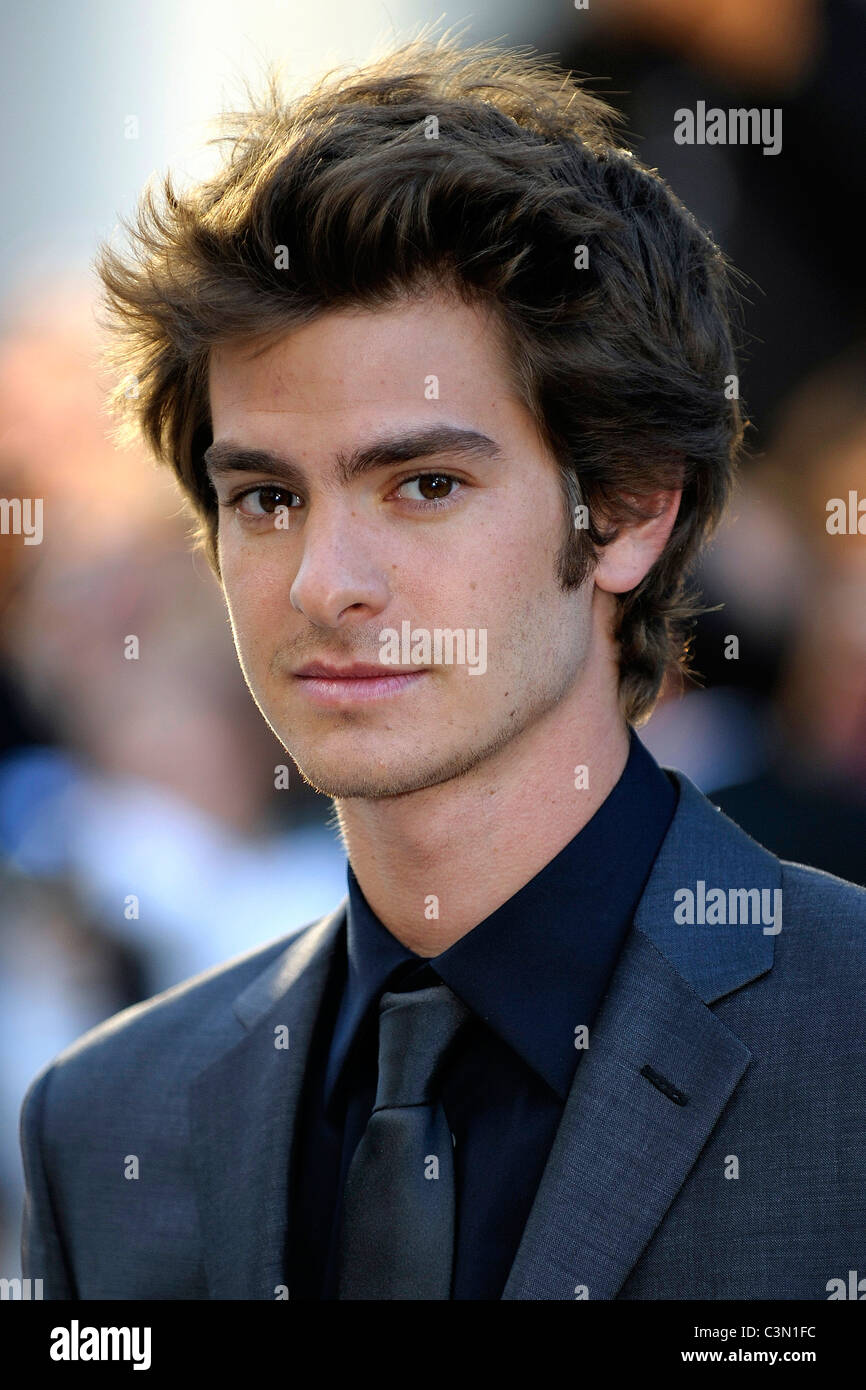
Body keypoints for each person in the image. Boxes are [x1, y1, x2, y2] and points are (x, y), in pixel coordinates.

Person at [19, 32, 866, 1301]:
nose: (321, 581)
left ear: (630, 508)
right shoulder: (104, 1125)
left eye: (422, 484)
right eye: (263, 498)